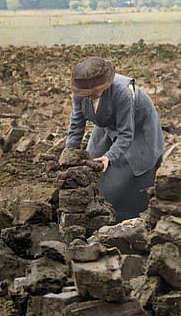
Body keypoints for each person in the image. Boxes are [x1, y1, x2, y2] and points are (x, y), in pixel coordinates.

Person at [64, 57, 163, 222]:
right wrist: (69, 153)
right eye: (84, 94)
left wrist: (110, 157)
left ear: (103, 85)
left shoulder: (122, 92)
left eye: (92, 92)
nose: (88, 97)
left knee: (130, 167)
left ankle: (127, 215)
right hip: (107, 123)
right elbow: (76, 124)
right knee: (91, 161)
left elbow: (126, 133)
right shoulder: (80, 92)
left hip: (137, 126)